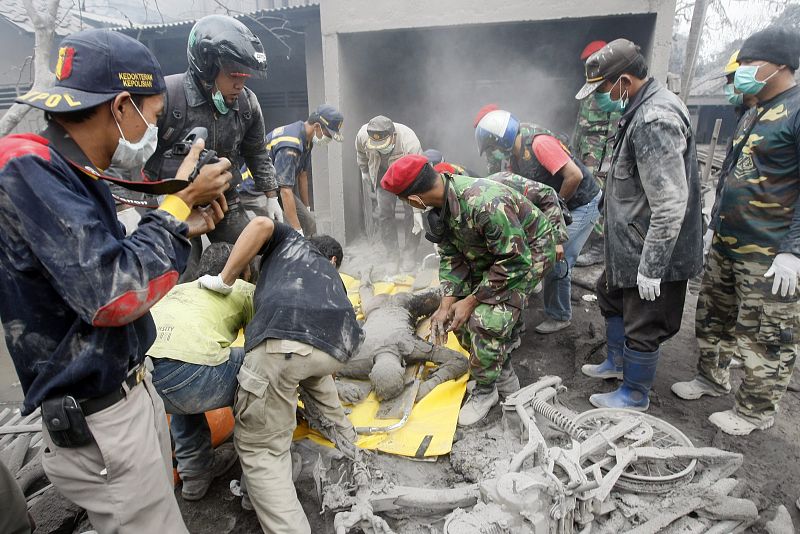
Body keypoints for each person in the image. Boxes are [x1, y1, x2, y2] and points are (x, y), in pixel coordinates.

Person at [2, 29, 233, 532]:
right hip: (100, 416)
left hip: (125, 393)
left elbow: (106, 251)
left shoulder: (68, 171)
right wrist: (177, 205)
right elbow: (116, 292)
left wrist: (181, 223)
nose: (153, 129)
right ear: (121, 106)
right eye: (152, 116)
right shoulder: (27, 169)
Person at [672, 27, 800, 436]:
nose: (741, 71)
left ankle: (754, 410)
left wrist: (793, 251)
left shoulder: (795, 110)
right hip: (729, 240)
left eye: (748, 62)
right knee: (715, 317)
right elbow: (732, 174)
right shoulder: (754, 109)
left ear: (779, 64)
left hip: (768, 249)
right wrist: (713, 225)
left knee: (767, 334)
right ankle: (712, 378)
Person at [199, 217, 363, 533]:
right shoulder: (330, 276)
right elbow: (316, 367)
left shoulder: (288, 240)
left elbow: (261, 222)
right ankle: (356, 453)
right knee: (312, 374)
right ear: (332, 260)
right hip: (339, 348)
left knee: (262, 450)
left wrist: (226, 278)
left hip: (285, 342)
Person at [380, 155, 557, 426]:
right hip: (494, 254)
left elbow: (515, 262)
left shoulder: (483, 203)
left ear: (414, 198)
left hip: (529, 255)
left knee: (486, 320)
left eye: (404, 201)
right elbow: (452, 255)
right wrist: (446, 304)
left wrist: (472, 301)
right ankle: (499, 366)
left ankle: (487, 390)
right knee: (455, 318)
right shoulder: (442, 206)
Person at [575, 38, 703, 411]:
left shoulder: (654, 119)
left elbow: (669, 204)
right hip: (628, 241)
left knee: (644, 323)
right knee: (609, 295)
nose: (602, 96)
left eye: (603, 88)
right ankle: (616, 363)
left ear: (624, 81)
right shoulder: (639, 106)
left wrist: (652, 269)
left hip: (651, 247)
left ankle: (634, 394)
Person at [143, 15, 281, 279]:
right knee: (181, 272)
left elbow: (256, 152)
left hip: (223, 198)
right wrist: (155, 199)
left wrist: (271, 195)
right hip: (172, 199)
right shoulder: (168, 97)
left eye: (245, 76)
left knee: (250, 261)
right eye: (233, 75)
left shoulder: (247, 105)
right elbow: (137, 153)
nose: (240, 85)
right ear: (206, 66)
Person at [475, 110, 601, 334]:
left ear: (500, 140)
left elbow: (574, 176)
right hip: (561, 205)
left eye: (492, 148)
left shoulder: (539, 144)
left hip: (582, 203)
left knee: (557, 257)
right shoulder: (515, 153)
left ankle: (560, 315)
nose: (493, 154)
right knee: (541, 248)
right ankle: (549, 290)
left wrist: (556, 220)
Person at [147, 243, 255, 500]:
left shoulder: (178, 290)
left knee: (186, 361)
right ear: (242, 270)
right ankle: (256, 487)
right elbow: (260, 351)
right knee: (258, 371)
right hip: (191, 376)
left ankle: (195, 475)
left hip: (148, 381)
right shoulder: (242, 289)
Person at [336, 280, 469, 403]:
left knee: (450, 294)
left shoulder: (408, 346)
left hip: (399, 304)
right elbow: (317, 375)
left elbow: (461, 362)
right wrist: (339, 389)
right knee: (366, 297)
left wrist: (428, 386)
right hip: (375, 307)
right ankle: (365, 277)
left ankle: (365, 277)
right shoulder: (354, 361)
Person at [247, 104, 344, 236]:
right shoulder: (291, 143)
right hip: (256, 190)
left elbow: (303, 176)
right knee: (283, 231)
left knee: (309, 223)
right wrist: (297, 230)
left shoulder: (307, 139)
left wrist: (306, 209)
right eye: (328, 134)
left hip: (276, 188)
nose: (330, 138)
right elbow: (285, 191)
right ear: (316, 126)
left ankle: (307, 253)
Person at [356, 115, 423, 271]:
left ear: (393, 136)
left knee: (410, 214)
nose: (380, 148)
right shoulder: (363, 135)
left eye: (383, 145)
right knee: (385, 213)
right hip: (382, 174)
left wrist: (418, 210)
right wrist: (364, 170)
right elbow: (360, 152)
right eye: (376, 145)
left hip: (408, 176)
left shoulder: (410, 142)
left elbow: (419, 176)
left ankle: (409, 254)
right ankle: (392, 255)